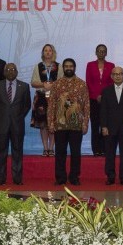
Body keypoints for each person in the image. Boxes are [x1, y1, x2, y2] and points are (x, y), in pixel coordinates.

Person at [47, 58, 90, 186]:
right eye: (66, 66)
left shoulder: (82, 84)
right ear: (63, 68)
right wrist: (50, 122)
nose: (68, 68)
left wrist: (85, 123)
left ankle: (74, 177)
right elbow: (51, 105)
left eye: (71, 66)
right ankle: (60, 178)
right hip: (60, 124)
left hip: (76, 125)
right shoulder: (57, 84)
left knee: (76, 152)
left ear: (75, 68)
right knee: (60, 152)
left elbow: (86, 105)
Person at [0, 63, 32, 185]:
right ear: (4, 72)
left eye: (13, 69)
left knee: (17, 153)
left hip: (17, 125)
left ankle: (17, 179)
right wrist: (2, 116)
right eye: (8, 69)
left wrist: (18, 116)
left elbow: (27, 105)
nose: (10, 71)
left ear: (17, 72)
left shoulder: (24, 86)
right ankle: (0, 179)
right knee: (0, 153)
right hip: (1, 125)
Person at [99, 66, 123, 185]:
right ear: (111, 76)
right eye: (115, 74)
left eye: (120, 74)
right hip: (110, 128)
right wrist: (104, 126)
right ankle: (110, 177)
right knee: (110, 154)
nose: (118, 76)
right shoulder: (106, 91)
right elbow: (103, 110)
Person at [30, 44, 63, 156]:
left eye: (50, 50)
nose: (48, 52)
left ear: (53, 52)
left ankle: (51, 148)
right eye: (46, 50)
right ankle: (45, 148)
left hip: (55, 98)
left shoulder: (59, 66)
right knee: (43, 124)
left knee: (52, 124)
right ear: (43, 53)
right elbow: (33, 82)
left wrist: (52, 85)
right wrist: (44, 84)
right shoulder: (37, 66)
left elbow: (62, 82)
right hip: (41, 97)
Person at [85, 44, 114, 157]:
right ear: (96, 52)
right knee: (95, 124)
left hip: (107, 100)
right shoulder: (90, 65)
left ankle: (104, 148)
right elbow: (88, 82)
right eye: (99, 51)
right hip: (93, 99)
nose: (101, 53)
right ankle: (96, 149)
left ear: (106, 53)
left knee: (105, 124)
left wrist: (103, 95)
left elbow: (112, 82)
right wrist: (96, 95)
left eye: (103, 51)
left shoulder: (111, 65)